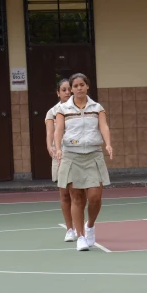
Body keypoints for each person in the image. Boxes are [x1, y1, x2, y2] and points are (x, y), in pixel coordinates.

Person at [54, 73, 113, 252]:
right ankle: (80, 236)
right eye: (76, 85)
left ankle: (90, 226)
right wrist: (58, 148)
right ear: (71, 89)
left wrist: (108, 144)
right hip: (72, 155)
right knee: (76, 197)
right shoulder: (63, 109)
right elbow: (58, 131)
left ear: (87, 86)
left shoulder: (97, 108)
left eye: (82, 85)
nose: (79, 88)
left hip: (93, 154)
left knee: (95, 196)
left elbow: (104, 126)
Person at [45, 78, 76, 241]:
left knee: (77, 194)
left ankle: (80, 226)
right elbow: (50, 132)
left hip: (77, 154)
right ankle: (70, 229)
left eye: (68, 89)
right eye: (63, 90)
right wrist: (51, 148)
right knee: (64, 194)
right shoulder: (52, 112)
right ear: (58, 93)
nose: (67, 92)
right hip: (61, 155)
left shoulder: (78, 108)